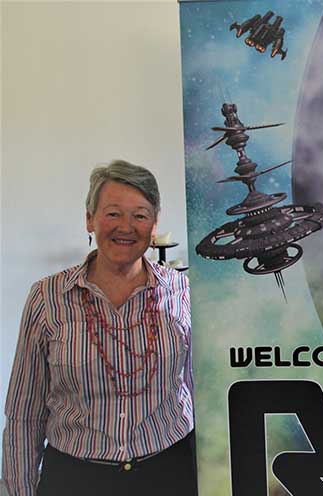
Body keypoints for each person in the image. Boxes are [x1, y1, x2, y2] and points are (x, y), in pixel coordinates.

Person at [2, 160, 196, 496]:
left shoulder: (184, 292)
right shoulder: (48, 297)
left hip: (169, 472)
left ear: (154, 224)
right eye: (113, 213)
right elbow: (24, 412)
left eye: (140, 215)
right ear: (90, 219)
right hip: (75, 479)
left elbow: (200, 390)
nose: (126, 227)